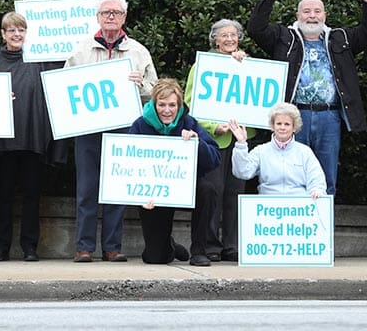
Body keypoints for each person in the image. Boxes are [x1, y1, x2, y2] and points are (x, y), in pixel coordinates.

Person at [247, 0, 367, 196]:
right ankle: (298, 226)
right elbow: (256, 29)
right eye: (306, 11)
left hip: (329, 117)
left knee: (326, 177)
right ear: (298, 15)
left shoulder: (340, 38)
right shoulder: (284, 37)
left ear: (325, 15)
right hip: (293, 117)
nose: (312, 16)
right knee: (293, 176)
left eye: (317, 11)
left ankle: (322, 227)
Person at [65, 0, 158, 263]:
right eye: (106, 12)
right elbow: (65, 87)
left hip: (123, 127)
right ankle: (83, 247)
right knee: (86, 189)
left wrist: (141, 84)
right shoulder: (80, 50)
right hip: (88, 129)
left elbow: (155, 91)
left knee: (117, 188)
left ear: (124, 17)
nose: (111, 17)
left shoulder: (138, 51)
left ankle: (112, 247)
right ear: (97, 17)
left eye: (116, 13)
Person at [0, 12, 67, 262]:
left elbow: (68, 71)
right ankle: (0, 248)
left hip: (34, 138)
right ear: (3, 34)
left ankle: (29, 247)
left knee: (33, 196)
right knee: (4, 197)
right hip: (5, 141)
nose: (16, 34)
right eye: (11, 30)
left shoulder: (41, 59)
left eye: (21, 30)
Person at [184, 18, 256, 262]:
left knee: (236, 193)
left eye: (233, 35)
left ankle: (232, 245)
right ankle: (211, 244)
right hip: (214, 139)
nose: (229, 39)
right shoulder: (202, 65)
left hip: (240, 139)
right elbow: (190, 103)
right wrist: (214, 127)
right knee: (214, 191)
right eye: (223, 35)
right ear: (214, 40)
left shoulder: (249, 64)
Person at [129, 78, 221, 266]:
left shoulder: (189, 122)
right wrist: (137, 195)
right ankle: (169, 246)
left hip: (185, 185)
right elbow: (126, 165)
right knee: (154, 259)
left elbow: (214, 158)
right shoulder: (140, 125)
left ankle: (199, 251)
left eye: (172, 105)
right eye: (161, 105)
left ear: (179, 105)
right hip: (152, 192)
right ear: (154, 104)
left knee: (207, 189)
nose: (167, 110)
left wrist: (198, 142)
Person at [229, 102, 326, 197]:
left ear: (294, 128)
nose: (282, 127)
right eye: (279, 123)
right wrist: (241, 144)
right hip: (268, 207)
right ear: (272, 126)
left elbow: (317, 179)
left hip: (298, 208)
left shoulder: (305, 152)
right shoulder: (261, 151)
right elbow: (242, 172)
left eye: (287, 124)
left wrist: (317, 190)